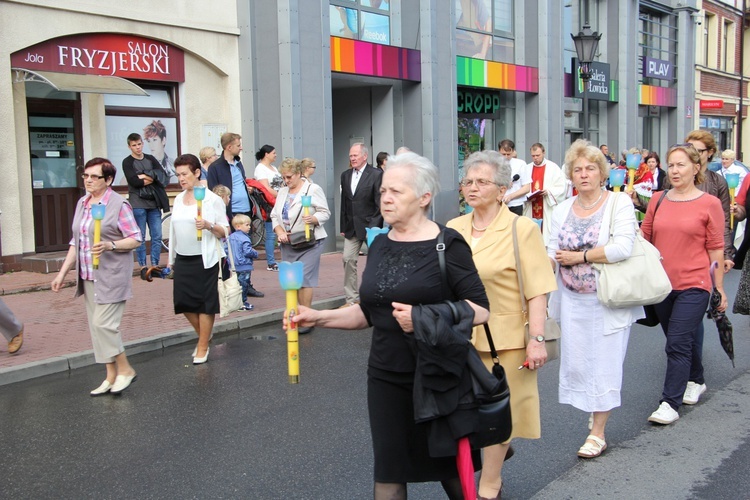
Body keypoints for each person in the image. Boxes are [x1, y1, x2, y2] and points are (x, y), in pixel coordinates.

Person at [289, 152, 490, 499]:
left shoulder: (447, 244)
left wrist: (424, 317)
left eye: (396, 191)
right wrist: (317, 317)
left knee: (453, 472)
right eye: (383, 191)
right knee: (389, 471)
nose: (385, 198)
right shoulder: (379, 244)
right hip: (385, 376)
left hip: (438, 376)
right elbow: (368, 312)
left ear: (424, 197)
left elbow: (481, 309)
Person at [447, 150, 556, 499]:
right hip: (460, 336)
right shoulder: (452, 228)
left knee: (499, 412)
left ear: (502, 188)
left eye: (482, 182)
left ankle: (489, 481)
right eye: (468, 181)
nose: (472, 188)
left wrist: (536, 338)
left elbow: (537, 289)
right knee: (464, 412)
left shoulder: (520, 229)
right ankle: (494, 451)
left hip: (506, 339)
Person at [547, 140, 641, 458]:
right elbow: (550, 252)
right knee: (578, 364)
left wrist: (580, 256)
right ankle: (595, 406)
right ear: (571, 176)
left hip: (607, 299)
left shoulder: (619, 204)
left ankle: (597, 432)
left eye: (590, 168)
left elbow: (622, 248)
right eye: (578, 169)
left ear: (602, 173)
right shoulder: (561, 209)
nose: (584, 174)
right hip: (572, 300)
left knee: (605, 363)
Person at [641, 144, 726, 425]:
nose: (675, 171)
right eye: (672, 165)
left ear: (696, 167)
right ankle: (697, 379)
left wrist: (719, 287)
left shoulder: (709, 203)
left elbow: (715, 248)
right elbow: (645, 238)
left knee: (677, 343)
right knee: (679, 339)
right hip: (662, 284)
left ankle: (669, 402)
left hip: (696, 282)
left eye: (681, 165)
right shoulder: (658, 200)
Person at [50, 157, 142, 395]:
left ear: (108, 180)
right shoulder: (83, 203)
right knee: (96, 328)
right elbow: (76, 242)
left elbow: (135, 237)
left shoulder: (119, 205)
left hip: (111, 276)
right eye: (86, 176)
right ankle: (111, 375)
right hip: (88, 275)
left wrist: (111, 245)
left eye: (94, 177)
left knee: (104, 325)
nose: (88, 181)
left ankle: (126, 369)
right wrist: (62, 273)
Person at [169, 154, 229, 364]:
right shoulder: (178, 198)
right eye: (178, 175)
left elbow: (225, 230)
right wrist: (171, 258)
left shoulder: (212, 199)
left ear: (196, 172)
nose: (181, 178)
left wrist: (209, 226)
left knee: (205, 304)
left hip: (206, 258)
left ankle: (202, 345)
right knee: (183, 302)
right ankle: (206, 335)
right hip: (183, 257)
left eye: (185, 174)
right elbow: (173, 229)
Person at [272, 158, 330, 334]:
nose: (286, 180)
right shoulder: (282, 191)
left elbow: (325, 212)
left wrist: (313, 219)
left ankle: (306, 318)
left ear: (298, 173)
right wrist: (279, 231)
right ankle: (297, 313)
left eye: (289, 177)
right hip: (289, 242)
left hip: (310, 241)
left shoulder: (312, 189)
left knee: (304, 279)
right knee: (293, 281)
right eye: (284, 177)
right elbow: (275, 215)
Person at [340, 142, 383, 307]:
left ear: (365, 156)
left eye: (355, 155)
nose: (352, 158)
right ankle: (351, 299)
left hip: (371, 226)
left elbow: (380, 203)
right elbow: (345, 202)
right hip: (351, 227)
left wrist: (373, 227)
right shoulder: (345, 175)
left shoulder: (376, 174)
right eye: (350, 156)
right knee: (347, 258)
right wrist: (343, 226)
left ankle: (379, 294)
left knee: (377, 260)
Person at [122, 132, 169, 269]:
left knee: (157, 236)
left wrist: (144, 175)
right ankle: (143, 266)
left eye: (139, 144)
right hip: (138, 203)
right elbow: (134, 181)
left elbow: (162, 176)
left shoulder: (150, 158)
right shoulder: (128, 161)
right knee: (140, 237)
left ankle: (154, 265)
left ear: (142, 143)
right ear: (129, 146)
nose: (137, 147)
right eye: (134, 145)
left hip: (154, 202)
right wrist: (151, 177)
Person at [206, 132, 256, 232]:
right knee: (233, 243)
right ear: (229, 147)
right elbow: (213, 192)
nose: (241, 148)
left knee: (245, 243)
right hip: (231, 212)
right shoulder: (215, 167)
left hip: (246, 210)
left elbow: (242, 182)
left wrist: (248, 189)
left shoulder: (238, 163)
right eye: (238, 145)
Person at [524, 142, 567, 245]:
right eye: (533, 156)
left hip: (546, 206)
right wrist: (528, 196)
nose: (535, 158)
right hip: (531, 206)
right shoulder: (527, 168)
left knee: (546, 237)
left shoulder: (553, 167)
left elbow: (561, 186)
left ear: (543, 153)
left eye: (538, 155)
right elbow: (522, 187)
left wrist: (548, 191)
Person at [254, 144, 284, 272]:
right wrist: (280, 195)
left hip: (279, 201)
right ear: (266, 154)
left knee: (281, 230)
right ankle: (271, 262)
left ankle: (280, 259)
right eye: (273, 153)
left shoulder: (274, 168)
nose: (275, 155)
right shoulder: (261, 169)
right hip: (269, 203)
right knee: (271, 233)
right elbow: (265, 187)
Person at [228, 214, 264, 311]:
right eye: (247, 225)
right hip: (244, 265)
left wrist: (229, 260)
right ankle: (242, 303)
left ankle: (235, 302)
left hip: (234, 265)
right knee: (244, 284)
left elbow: (226, 249)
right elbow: (247, 251)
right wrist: (255, 253)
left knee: (236, 284)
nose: (249, 227)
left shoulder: (231, 237)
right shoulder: (245, 238)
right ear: (238, 226)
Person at [498, 139, 531, 215]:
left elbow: (526, 188)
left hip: (515, 204)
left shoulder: (521, 164)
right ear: (499, 151)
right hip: (497, 203)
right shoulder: (494, 164)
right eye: (503, 154)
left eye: (508, 154)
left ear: (513, 151)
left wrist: (510, 196)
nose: (506, 157)